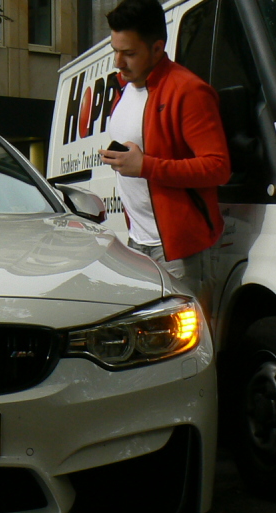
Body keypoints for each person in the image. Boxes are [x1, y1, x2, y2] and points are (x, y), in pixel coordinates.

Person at [99, 0, 230, 299]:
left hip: (180, 250)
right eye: (114, 51)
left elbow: (218, 167)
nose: (118, 62)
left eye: (129, 53)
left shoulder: (188, 90)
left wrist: (145, 166)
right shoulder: (125, 86)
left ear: (157, 49)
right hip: (138, 241)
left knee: (189, 342)